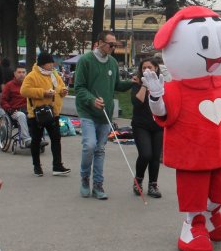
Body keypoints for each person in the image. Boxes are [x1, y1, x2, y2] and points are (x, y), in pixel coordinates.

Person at [143, 6, 221, 251]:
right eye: (206, 42)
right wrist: (156, 94)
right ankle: (193, 223)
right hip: (192, 154)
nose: (216, 52)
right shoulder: (177, 89)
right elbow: (162, 113)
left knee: (219, 191)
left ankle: (210, 214)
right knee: (194, 192)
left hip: (219, 153)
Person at [75, 30, 135, 200]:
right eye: (110, 44)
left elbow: (117, 85)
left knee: (100, 149)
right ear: (100, 42)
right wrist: (91, 99)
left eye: (115, 45)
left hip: (105, 113)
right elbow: (79, 88)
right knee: (89, 145)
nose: (113, 47)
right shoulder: (86, 60)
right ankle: (85, 178)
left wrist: (132, 82)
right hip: (87, 111)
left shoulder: (113, 63)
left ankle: (98, 184)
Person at [20, 52, 70, 177]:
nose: (52, 65)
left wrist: (63, 91)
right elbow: (24, 91)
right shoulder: (32, 76)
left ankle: (57, 166)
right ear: (42, 64)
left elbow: (59, 87)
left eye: (52, 62)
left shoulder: (54, 74)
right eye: (49, 63)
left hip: (53, 112)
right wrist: (43, 93)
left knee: (56, 139)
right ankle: (37, 166)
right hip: (37, 113)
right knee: (36, 140)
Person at [131, 57, 164, 198]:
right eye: (144, 68)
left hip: (158, 125)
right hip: (141, 125)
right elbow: (137, 102)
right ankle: (138, 181)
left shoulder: (161, 82)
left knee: (155, 156)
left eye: (149, 67)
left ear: (156, 68)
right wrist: (144, 85)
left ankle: (153, 185)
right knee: (146, 154)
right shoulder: (137, 82)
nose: (146, 70)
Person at [1, 65, 33, 148]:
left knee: (40, 114)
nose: (21, 74)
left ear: (26, 74)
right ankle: (27, 140)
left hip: (28, 110)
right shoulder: (9, 85)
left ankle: (38, 138)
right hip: (15, 111)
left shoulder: (29, 85)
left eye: (23, 72)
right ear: (15, 73)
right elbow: (3, 101)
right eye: (19, 72)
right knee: (21, 115)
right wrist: (9, 109)